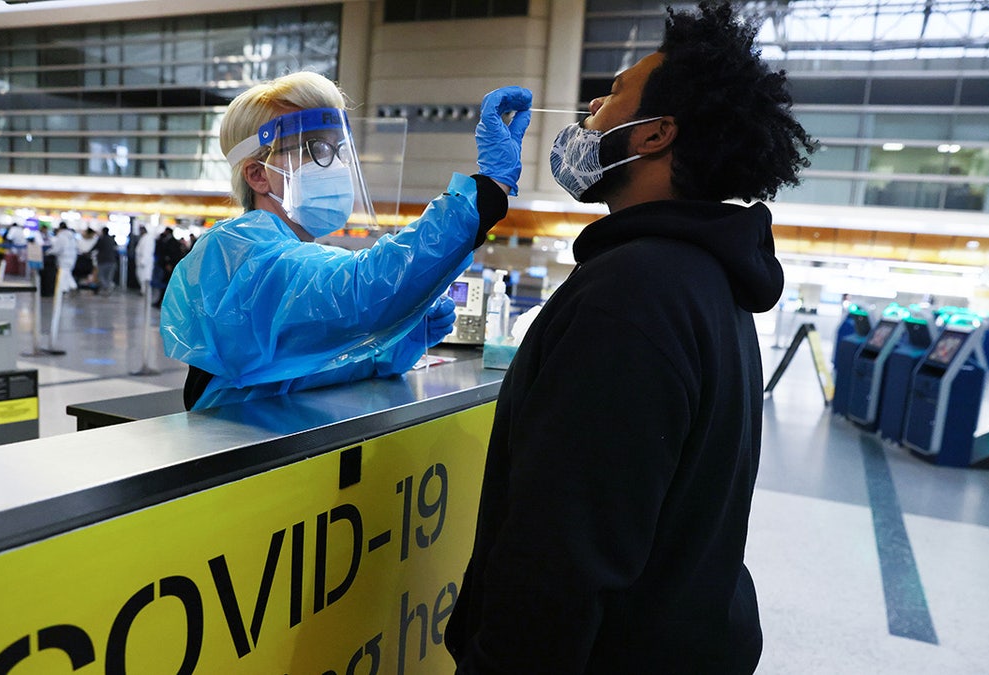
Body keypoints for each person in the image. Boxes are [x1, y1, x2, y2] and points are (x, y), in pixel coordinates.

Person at [444, 4, 814, 673]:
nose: (591, 107)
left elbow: (558, 561)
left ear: (655, 135)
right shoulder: (708, 281)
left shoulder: (632, 294)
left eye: (614, 93)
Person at [160, 71, 531, 410]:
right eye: (316, 149)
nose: (335, 166)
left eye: (339, 150)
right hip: (235, 466)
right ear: (258, 174)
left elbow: (329, 361)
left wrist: (400, 337)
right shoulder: (237, 254)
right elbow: (364, 291)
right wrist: (488, 188)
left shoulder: (299, 254)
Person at [49, 222, 78, 294]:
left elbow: (57, 248)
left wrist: (48, 252)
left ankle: (64, 289)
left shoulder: (61, 236)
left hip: (64, 258)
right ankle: (72, 287)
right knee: (67, 273)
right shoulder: (72, 236)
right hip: (72, 258)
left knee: (62, 273)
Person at [93, 226, 119, 294]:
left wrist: (86, 252)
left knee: (101, 276)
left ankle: (106, 287)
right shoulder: (112, 239)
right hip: (112, 261)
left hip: (103, 261)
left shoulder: (101, 239)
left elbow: (94, 247)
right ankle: (108, 288)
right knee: (109, 277)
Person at [133, 225, 155, 296]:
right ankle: (143, 291)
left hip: (145, 263)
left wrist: (143, 261)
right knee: (141, 277)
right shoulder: (144, 238)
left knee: (145, 278)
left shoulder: (148, 239)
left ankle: (145, 292)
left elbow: (147, 251)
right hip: (141, 262)